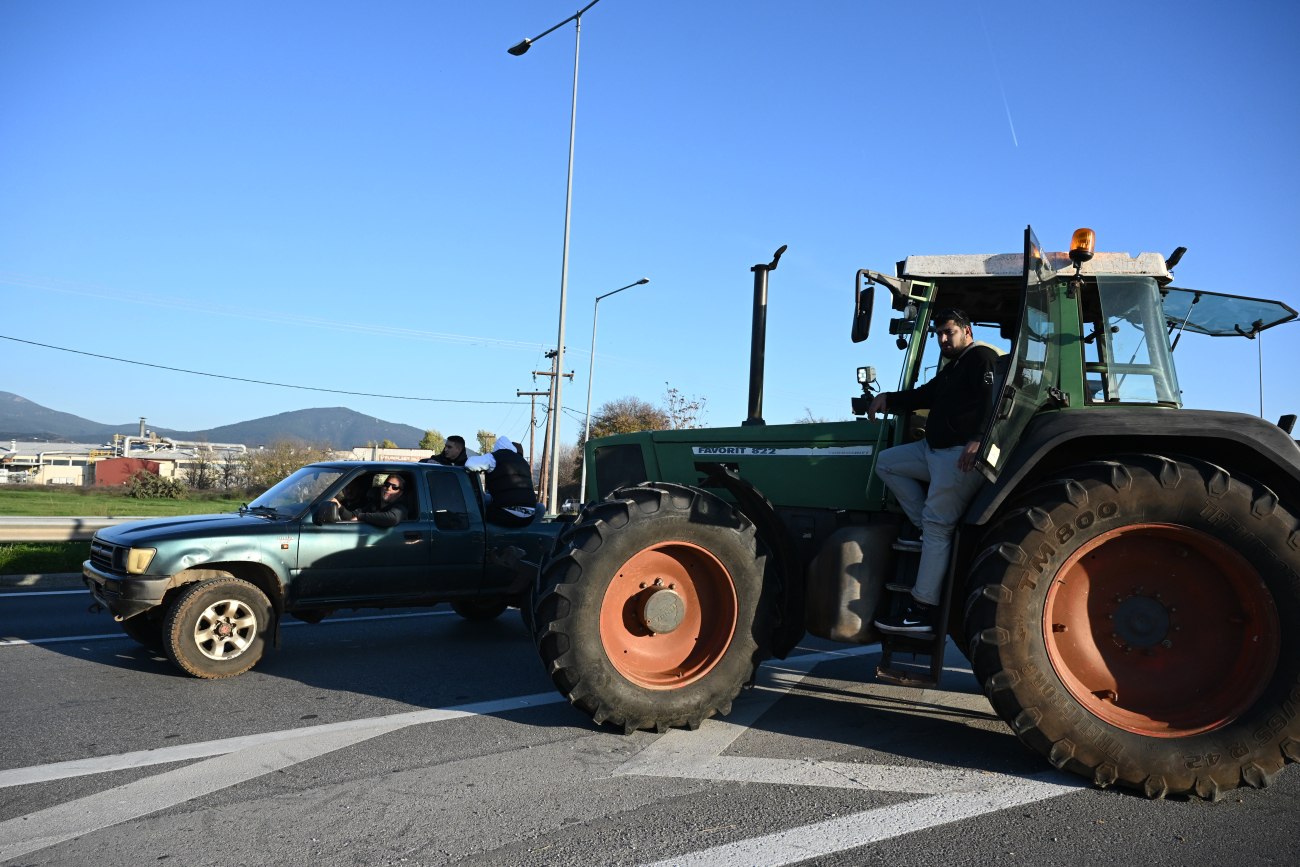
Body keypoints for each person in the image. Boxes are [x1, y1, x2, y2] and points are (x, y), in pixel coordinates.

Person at [866, 308, 998, 635]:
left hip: (958, 456)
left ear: (966, 331)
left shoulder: (981, 358)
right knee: (887, 462)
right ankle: (924, 525)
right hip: (932, 451)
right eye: (938, 334)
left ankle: (922, 609)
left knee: (938, 528)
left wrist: (979, 440)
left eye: (948, 332)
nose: (942, 339)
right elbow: (925, 395)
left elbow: (991, 400)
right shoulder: (954, 367)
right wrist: (888, 399)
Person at [464, 435, 537, 527]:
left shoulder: (494, 457)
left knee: (476, 513)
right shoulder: (523, 462)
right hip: (529, 517)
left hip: (506, 515)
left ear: (496, 449)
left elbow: (469, 464)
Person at [331, 473, 408, 528]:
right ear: (382, 487)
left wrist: (361, 517)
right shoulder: (373, 506)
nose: (388, 488)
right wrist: (339, 506)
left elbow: (392, 518)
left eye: (394, 487)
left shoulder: (401, 507)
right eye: (387, 485)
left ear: (400, 493)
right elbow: (352, 517)